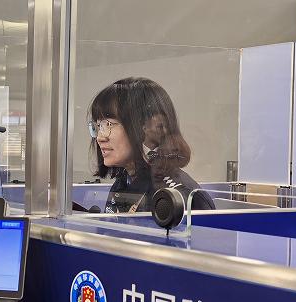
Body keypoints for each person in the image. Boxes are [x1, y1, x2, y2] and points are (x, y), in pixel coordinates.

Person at [88, 77, 215, 214]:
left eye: (109, 124)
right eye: (98, 126)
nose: (100, 138)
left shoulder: (178, 195)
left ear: (145, 127)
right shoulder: (123, 183)